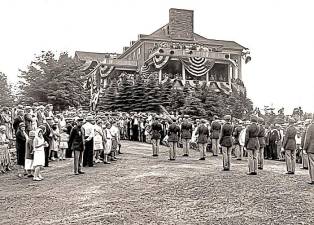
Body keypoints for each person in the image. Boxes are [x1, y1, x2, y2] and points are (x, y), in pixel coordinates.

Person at [303, 118, 314, 184]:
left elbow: (307, 139)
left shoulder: (310, 127)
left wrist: (305, 148)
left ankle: (313, 179)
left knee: (312, 164)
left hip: (311, 148)